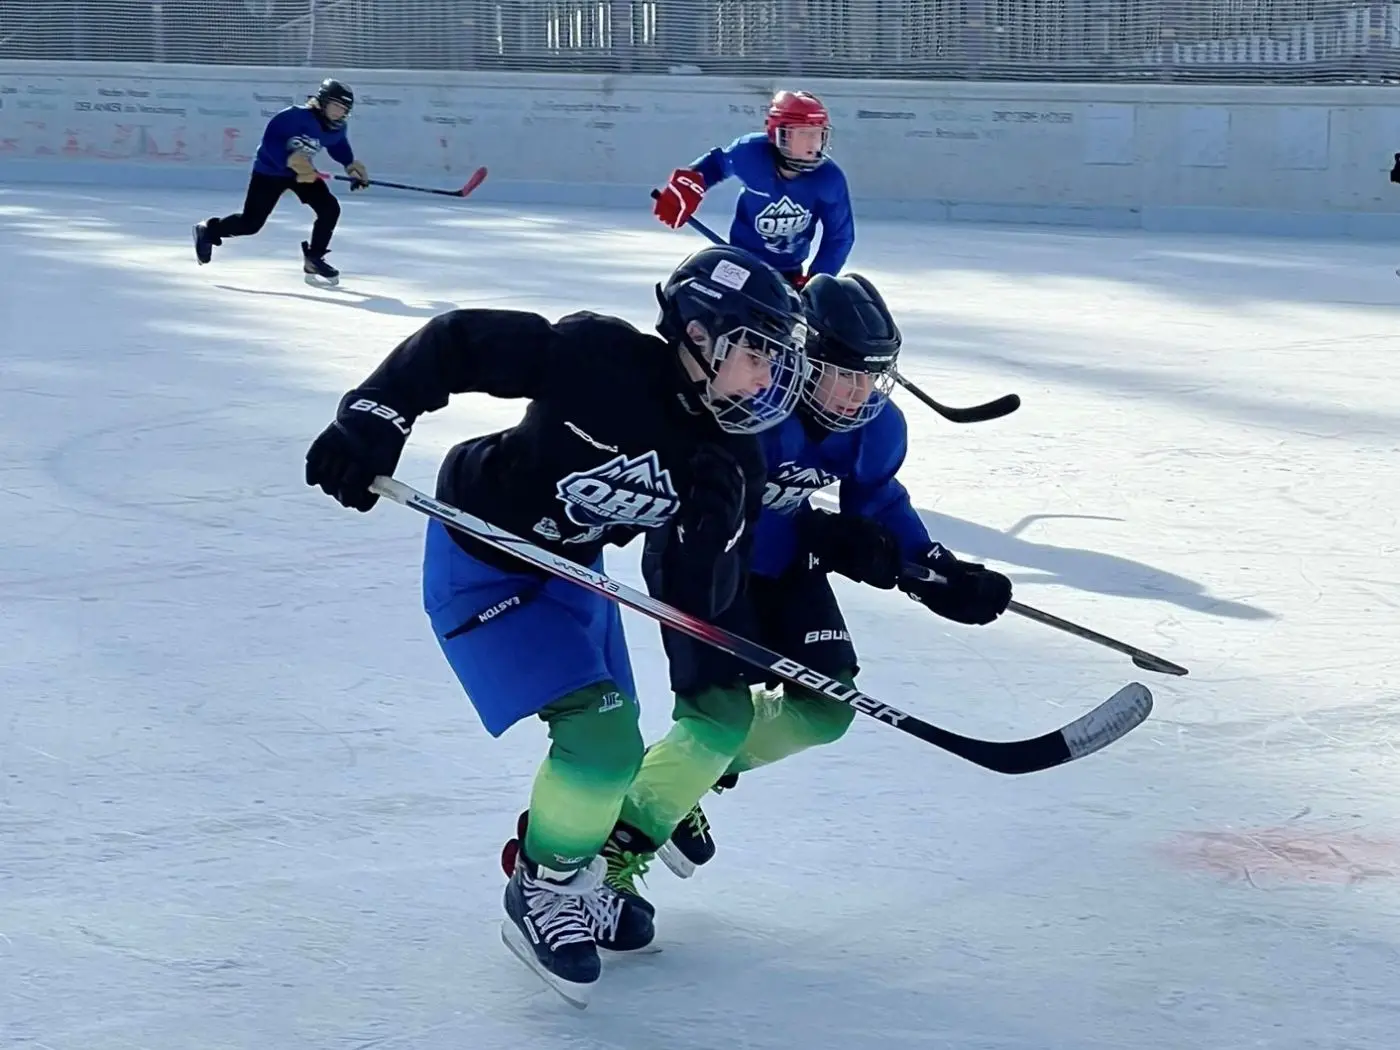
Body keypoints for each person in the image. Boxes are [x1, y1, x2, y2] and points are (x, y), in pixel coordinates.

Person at [303, 244, 809, 1006]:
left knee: (616, 743)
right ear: (700, 336)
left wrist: (707, 541)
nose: (767, 380)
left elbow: (699, 605)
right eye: (755, 355)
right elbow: (455, 342)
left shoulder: (734, 457)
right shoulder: (597, 360)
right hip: (482, 561)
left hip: (573, 575)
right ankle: (540, 889)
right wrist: (371, 418)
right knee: (602, 740)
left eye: (775, 361)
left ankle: (573, 874)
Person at [601, 272, 1013, 896]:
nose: (860, 393)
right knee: (718, 719)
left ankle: (673, 777)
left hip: (787, 562)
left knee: (826, 709)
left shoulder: (877, 428)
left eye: (872, 376)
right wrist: (828, 532)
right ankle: (610, 851)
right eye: (845, 374)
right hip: (704, 562)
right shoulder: (749, 405)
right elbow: (711, 498)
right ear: (801, 358)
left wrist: (934, 569)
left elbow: (879, 500)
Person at [651, 90, 855, 289]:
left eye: (817, 135)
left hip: (788, 277)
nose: (812, 144)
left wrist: (816, 279)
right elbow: (717, 165)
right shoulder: (750, 153)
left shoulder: (830, 179)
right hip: (739, 266)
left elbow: (839, 237)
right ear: (778, 134)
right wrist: (688, 186)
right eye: (803, 134)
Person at [193, 78, 368, 285]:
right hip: (269, 172)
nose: (339, 112)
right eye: (335, 106)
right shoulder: (294, 117)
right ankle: (209, 230)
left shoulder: (336, 128)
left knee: (329, 208)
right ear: (323, 101)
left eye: (344, 109)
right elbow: (270, 143)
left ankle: (314, 258)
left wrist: (350, 166)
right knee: (251, 224)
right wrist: (291, 162)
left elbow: (338, 145)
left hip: (301, 173)